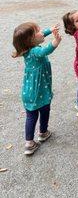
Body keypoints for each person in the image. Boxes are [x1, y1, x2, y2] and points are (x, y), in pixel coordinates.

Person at [12, 22, 62, 155]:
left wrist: (49, 30)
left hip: (29, 92)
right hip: (41, 91)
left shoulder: (26, 50)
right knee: (45, 110)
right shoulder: (35, 51)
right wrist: (56, 41)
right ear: (31, 40)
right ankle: (43, 132)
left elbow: (40, 37)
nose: (42, 32)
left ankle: (29, 143)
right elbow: (46, 50)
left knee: (31, 116)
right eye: (38, 31)